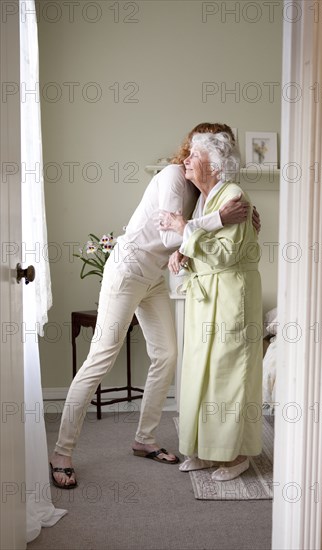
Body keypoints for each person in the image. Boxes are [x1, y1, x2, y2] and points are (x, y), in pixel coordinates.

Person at [49, 123, 257, 489]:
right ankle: (62, 452)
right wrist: (218, 219)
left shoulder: (205, 192)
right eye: (195, 149)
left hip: (153, 277)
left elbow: (189, 236)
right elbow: (169, 233)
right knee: (101, 357)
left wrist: (245, 219)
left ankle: (144, 439)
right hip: (128, 270)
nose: (195, 157)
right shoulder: (173, 178)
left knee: (167, 354)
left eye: (205, 151)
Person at [163, 132, 263, 482]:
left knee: (228, 374)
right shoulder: (205, 199)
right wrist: (183, 251)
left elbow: (225, 255)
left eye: (193, 155)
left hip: (231, 295)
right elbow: (204, 241)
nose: (185, 160)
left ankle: (236, 455)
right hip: (206, 295)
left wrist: (182, 231)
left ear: (215, 165)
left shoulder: (234, 196)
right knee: (199, 374)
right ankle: (207, 451)